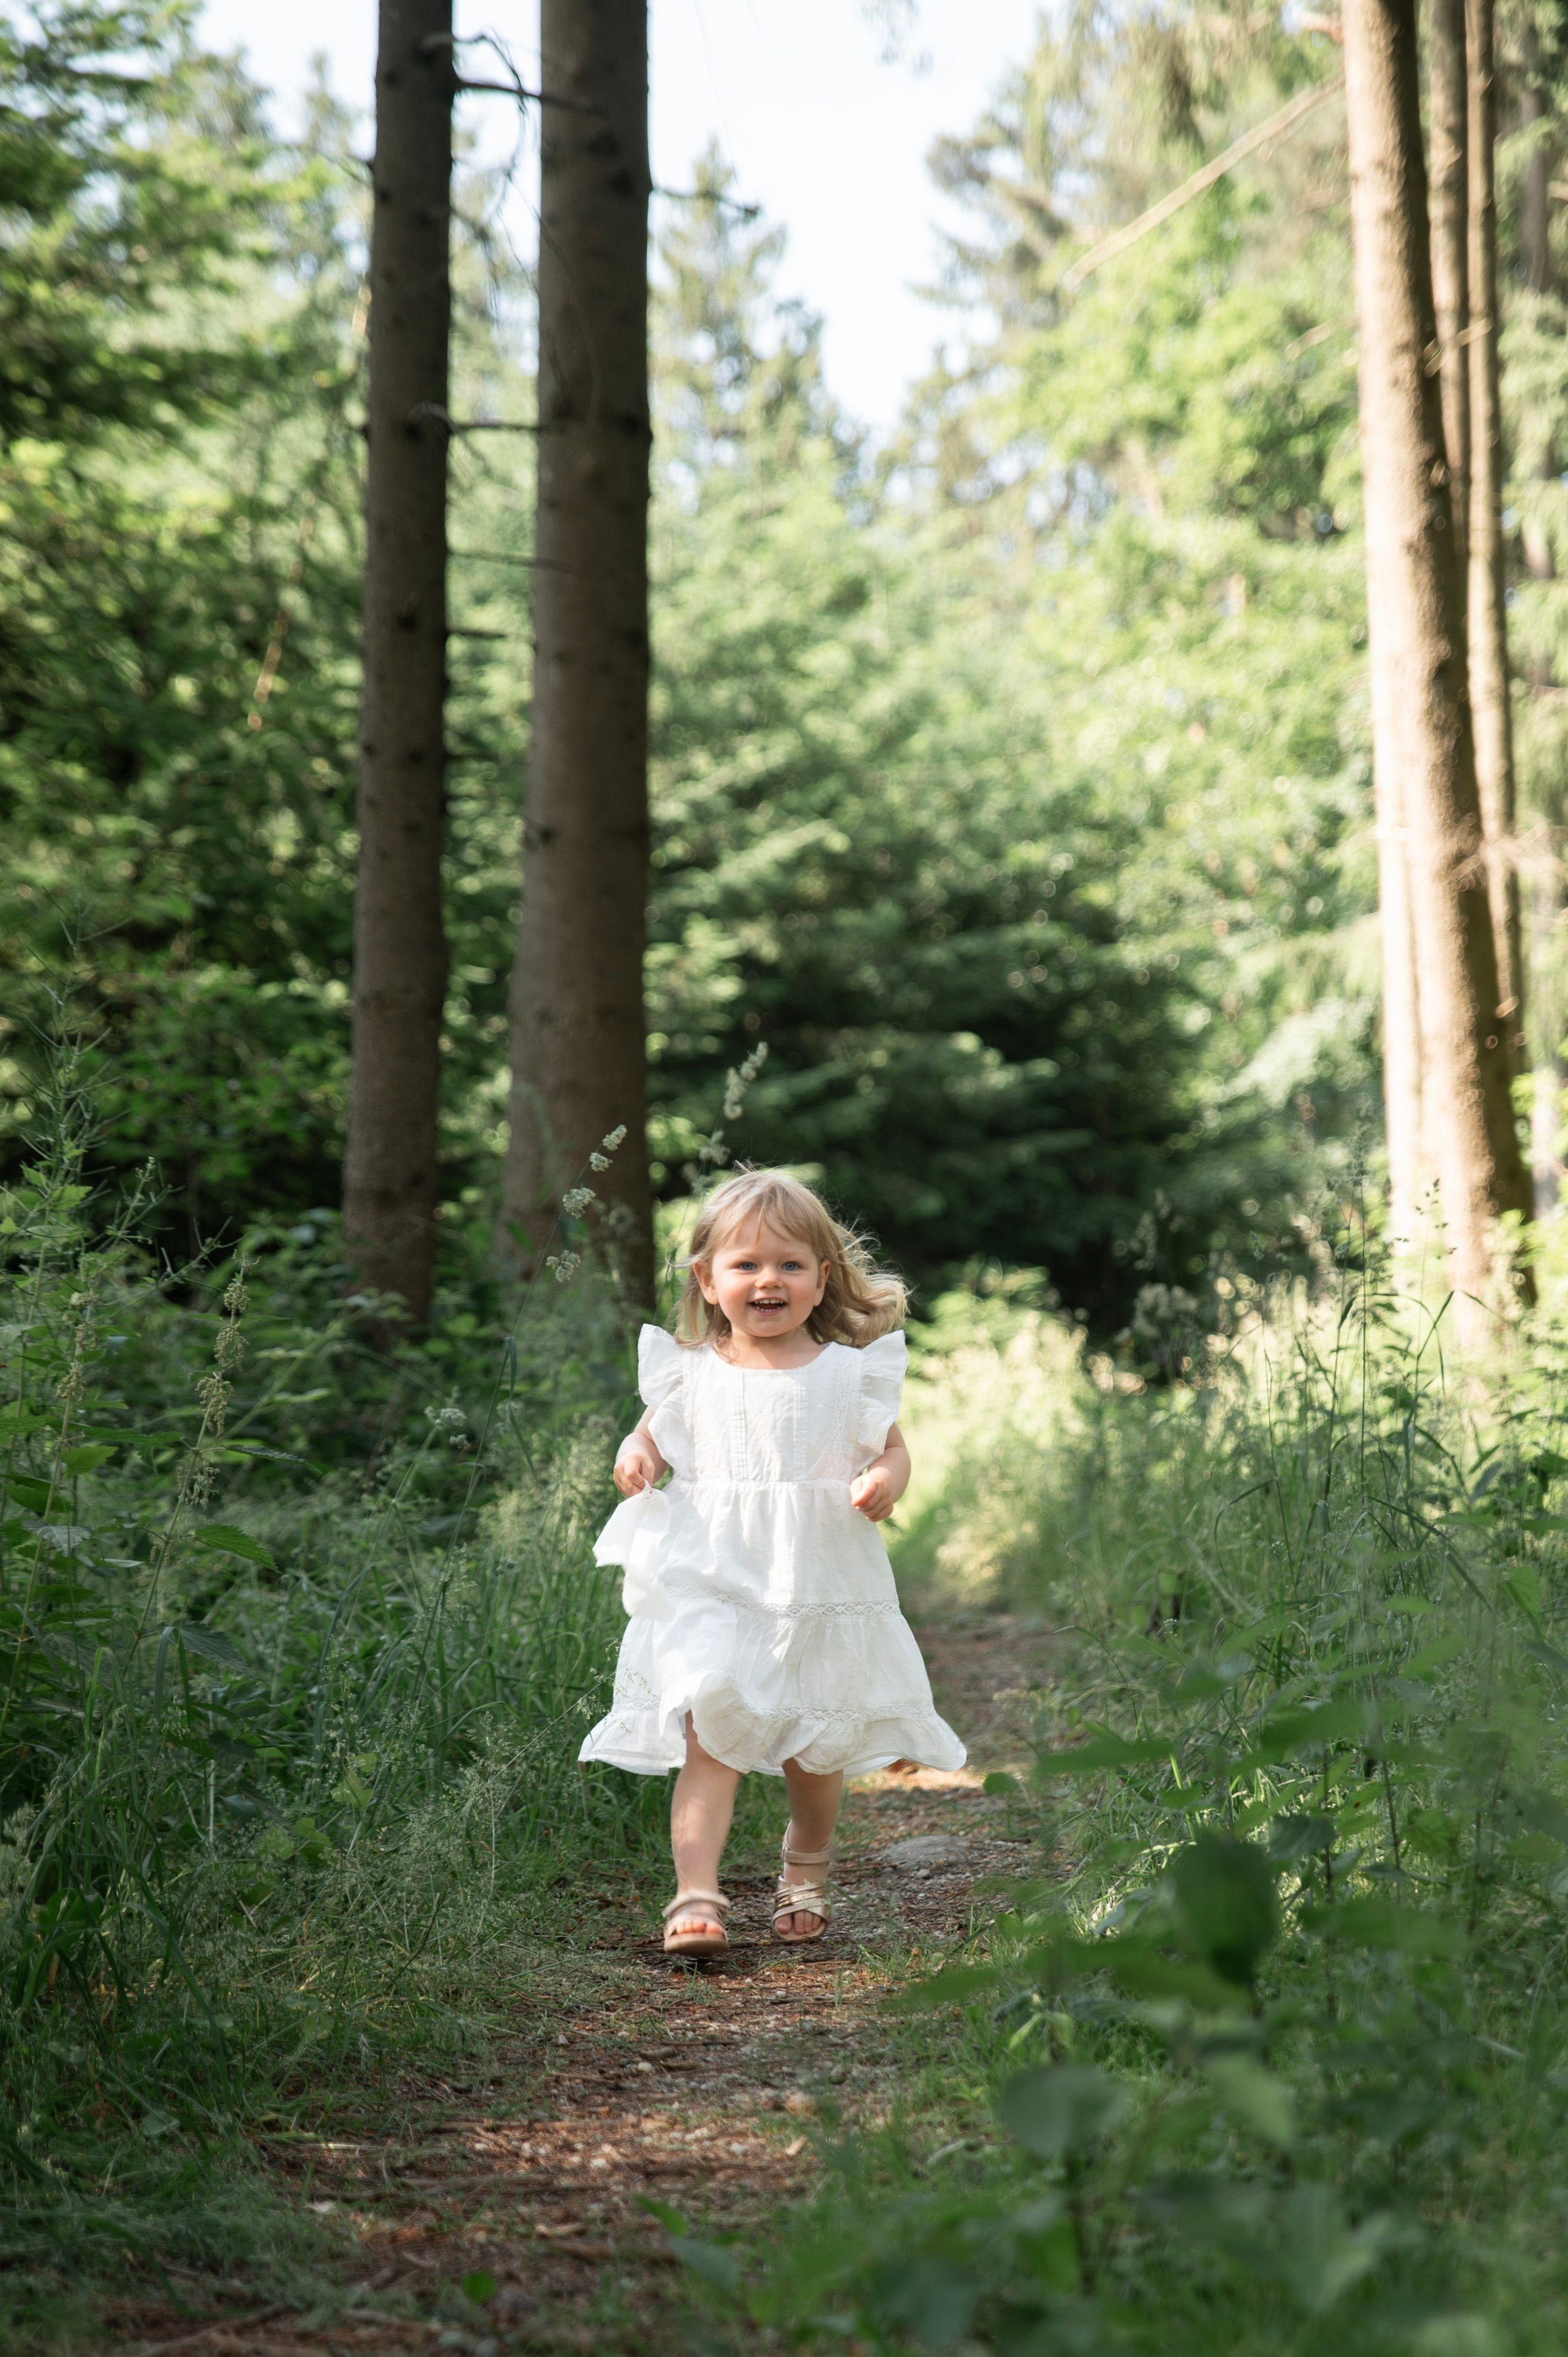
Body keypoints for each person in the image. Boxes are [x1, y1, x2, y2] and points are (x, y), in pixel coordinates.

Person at [580, 1168, 965, 1956]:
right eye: (747, 1264)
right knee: (709, 1725)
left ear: (822, 1279)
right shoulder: (690, 1369)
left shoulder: (847, 1372)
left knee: (814, 1745)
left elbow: (893, 1449)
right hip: (713, 1578)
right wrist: (636, 1456)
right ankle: (695, 1894)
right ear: (707, 1279)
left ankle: (806, 1861)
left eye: (790, 1264)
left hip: (815, 1578)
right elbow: (648, 1435)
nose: (769, 1280)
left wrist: (885, 1479)